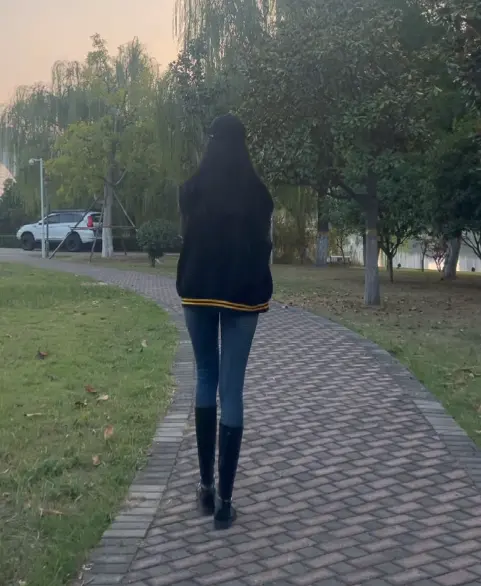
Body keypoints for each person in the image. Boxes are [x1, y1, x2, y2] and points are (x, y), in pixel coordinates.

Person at [176, 113, 273, 530]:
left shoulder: (190, 190)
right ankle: (225, 504)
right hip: (244, 297)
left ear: (211, 142)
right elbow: (264, 245)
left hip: (197, 291)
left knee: (205, 377)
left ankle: (204, 487)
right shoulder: (260, 195)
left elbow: (188, 238)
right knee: (232, 390)